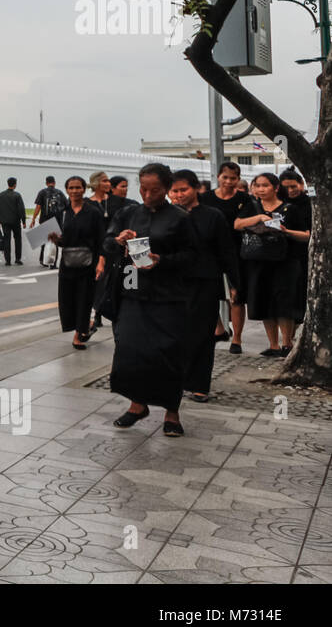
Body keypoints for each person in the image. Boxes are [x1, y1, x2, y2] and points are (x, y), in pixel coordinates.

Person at [106, 163, 198, 436]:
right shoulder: (129, 214)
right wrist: (119, 241)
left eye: (154, 190)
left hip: (168, 297)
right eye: (143, 189)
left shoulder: (180, 218)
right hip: (133, 291)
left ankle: (172, 412)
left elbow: (193, 257)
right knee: (131, 350)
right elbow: (107, 243)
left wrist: (162, 260)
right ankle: (137, 405)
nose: (147, 195)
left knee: (167, 354)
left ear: (167, 189)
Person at [168, 169, 239, 402]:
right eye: (174, 191)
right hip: (173, 283)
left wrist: (235, 283)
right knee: (175, 334)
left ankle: (199, 385)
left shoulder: (212, 215)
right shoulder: (166, 215)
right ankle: (176, 380)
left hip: (205, 282)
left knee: (202, 335)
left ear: (196, 188)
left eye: (183, 190)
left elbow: (226, 251)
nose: (178, 195)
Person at [235, 172, 300, 357]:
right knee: (263, 303)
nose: (261, 189)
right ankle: (273, 345)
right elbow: (237, 224)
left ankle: (286, 343)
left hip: (283, 262)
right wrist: (259, 218)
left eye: (265, 185)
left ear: (276, 187)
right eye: (257, 185)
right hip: (258, 261)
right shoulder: (252, 206)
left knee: (283, 303)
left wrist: (286, 231)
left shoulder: (289, 209)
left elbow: (306, 234)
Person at [199, 162, 255, 353]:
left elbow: (242, 224)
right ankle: (219, 329)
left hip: (236, 252)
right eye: (225, 177)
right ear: (218, 177)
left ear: (238, 179)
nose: (229, 181)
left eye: (233, 178)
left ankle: (237, 339)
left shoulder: (245, 199)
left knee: (236, 296)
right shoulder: (205, 198)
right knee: (210, 294)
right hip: (210, 252)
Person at [49, 176, 104, 350]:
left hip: (88, 263)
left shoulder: (93, 212)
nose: (74, 191)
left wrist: (100, 262)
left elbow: (101, 239)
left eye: (78, 187)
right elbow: (64, 240)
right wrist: (56, 240)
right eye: (71, 188)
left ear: (84, 189)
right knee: (67, 300)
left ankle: (79, 335)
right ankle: (85, 325)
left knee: (84, 299)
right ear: (66, 190)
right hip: (68, 262)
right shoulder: (63, 212)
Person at [277, 169, 313, 353]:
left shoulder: (309, 203)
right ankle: (286, 339)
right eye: (286, 187)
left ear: (301, 184)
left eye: (294, 186)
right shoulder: (278, 204)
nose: (291, 190)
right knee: (286, 298)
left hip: (305, 254)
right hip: (282, 256)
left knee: (300, 296)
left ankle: (294, 334)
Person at [87, 171, 117, 333]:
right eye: (105, 181)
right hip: (94, 250)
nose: (108, 183)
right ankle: (95, 314)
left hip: (112, 248)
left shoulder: (115, 202)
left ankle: (103, 310)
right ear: (97, 183)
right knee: (97, 282)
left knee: (110, 281)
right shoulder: (87, 204)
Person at [31, 176, 67, 267]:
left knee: (44, 240)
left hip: (45, 220)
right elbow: (67, 207)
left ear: (46, 183)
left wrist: (33, 219)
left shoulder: (42, 192)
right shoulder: (60, 193)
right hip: (57, 220)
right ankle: (53, 263)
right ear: (54, 183)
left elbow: (38, 207)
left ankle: (43, 260)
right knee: (56, 241)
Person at [0, 177, 27, 266]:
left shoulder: (1, 195)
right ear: (15, 184)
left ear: (8, 183)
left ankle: (7, 260)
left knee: (7, 240)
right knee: (18, 240)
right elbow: (21, 209)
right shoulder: (17, 195)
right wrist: (23, 221)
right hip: (15, 221)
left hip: (5, 222)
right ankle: (17, 259)